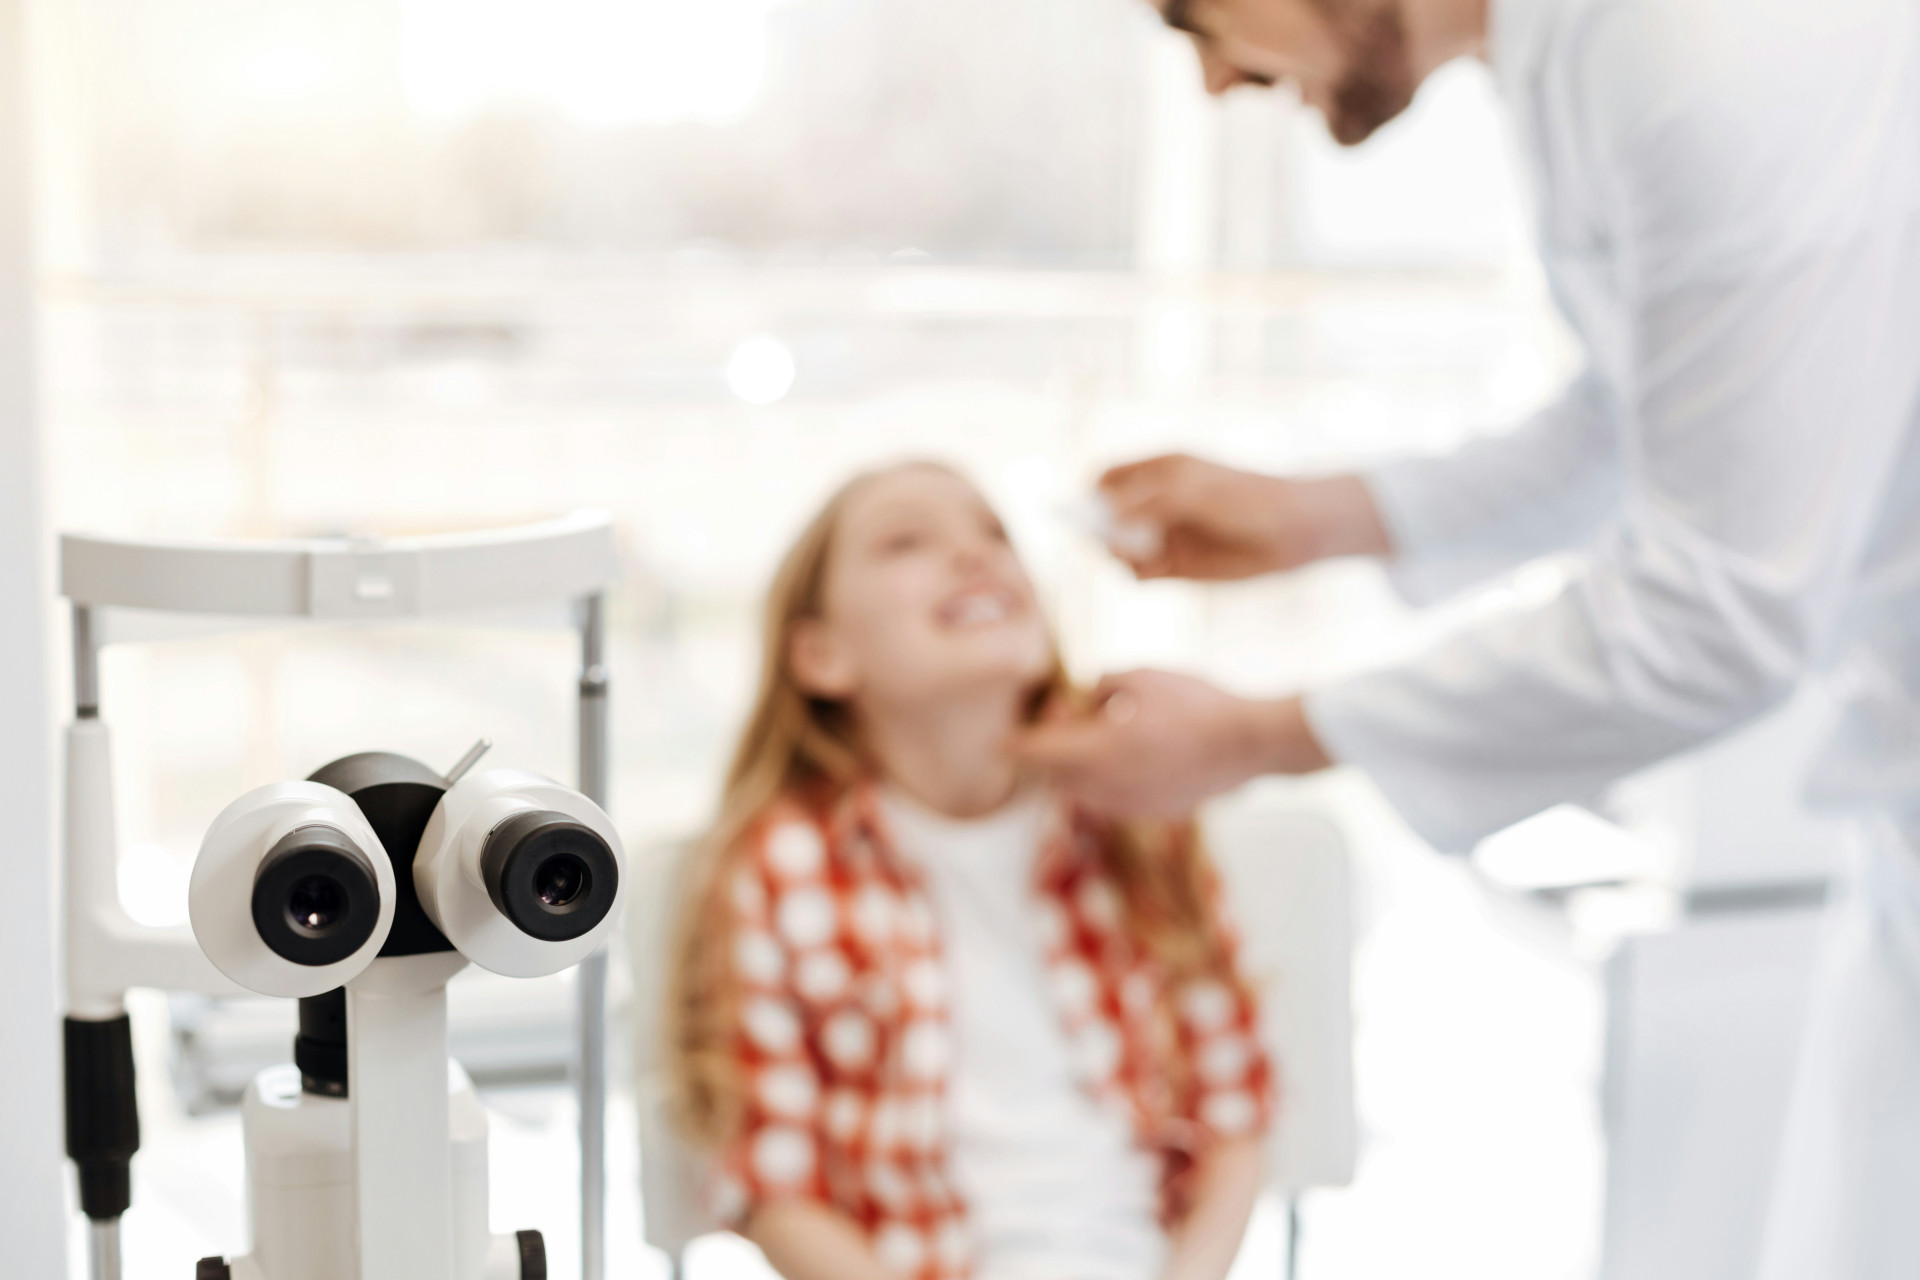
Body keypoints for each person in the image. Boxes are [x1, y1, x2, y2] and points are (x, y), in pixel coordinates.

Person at [1012, 0, 1920, 1275]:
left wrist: (1262, 735)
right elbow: (1640, 413)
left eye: (1193, 16)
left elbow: (1716, 616)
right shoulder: (1590, 51)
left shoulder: (1704, 54)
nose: (1215, 80)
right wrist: (1313, 517)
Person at [663, 462, 1276, 1280]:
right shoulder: (778, 863)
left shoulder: (1136, 815)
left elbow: (1233, 1110)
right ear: (821, 654)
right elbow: (777, 1185)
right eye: (905, 541)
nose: (973, 553)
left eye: (994, 531)